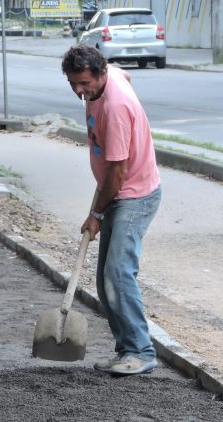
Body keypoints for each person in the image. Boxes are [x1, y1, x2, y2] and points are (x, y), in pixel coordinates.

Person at [61, 45, 161, 376]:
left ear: (100, 74)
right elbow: (123, 73)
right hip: (115, 190)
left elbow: (117, 172)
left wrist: (96, 214)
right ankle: (126, 350)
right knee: (106, 282)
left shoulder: (115, 108)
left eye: (83, 83)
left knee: (118, 273)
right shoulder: (109, 76)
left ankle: (141, 351)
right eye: (73, 83)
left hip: (134, 194)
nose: (79, 90)